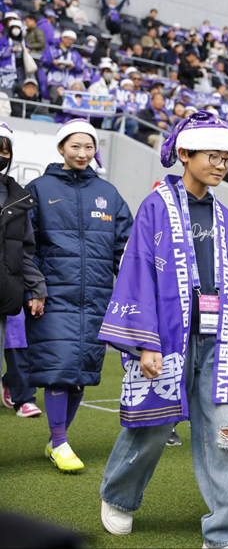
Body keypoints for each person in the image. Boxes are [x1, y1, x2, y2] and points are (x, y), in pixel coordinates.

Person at [97, 112, 228, 547]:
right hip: (165, 339)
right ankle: (119, 497)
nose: (222, 165)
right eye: (213, 156)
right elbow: (137, 272)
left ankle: (227, 532)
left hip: (218, 342)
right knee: (148, 430)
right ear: (184, 154)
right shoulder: (154, 206)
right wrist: (145, 342)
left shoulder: (227, 217)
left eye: (227, 158)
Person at [25, 120, 132, 472]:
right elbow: (26, 246)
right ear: (61, 149)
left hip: (97, 298)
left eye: (89, 147)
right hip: (53, 296)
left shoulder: (109, 193)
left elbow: (125, 247)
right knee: (60, 367)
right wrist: (35, 287)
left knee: (81, 371)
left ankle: (58, 439)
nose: (83, 153)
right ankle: (59, 442)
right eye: (76, 146)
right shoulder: (39, 189)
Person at [0, 123, 47, 422]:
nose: (2, 155)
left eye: (5, 150)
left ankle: (17, 392)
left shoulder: (18, 198)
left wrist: (37, 287)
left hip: (5, 297)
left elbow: (24, 252)